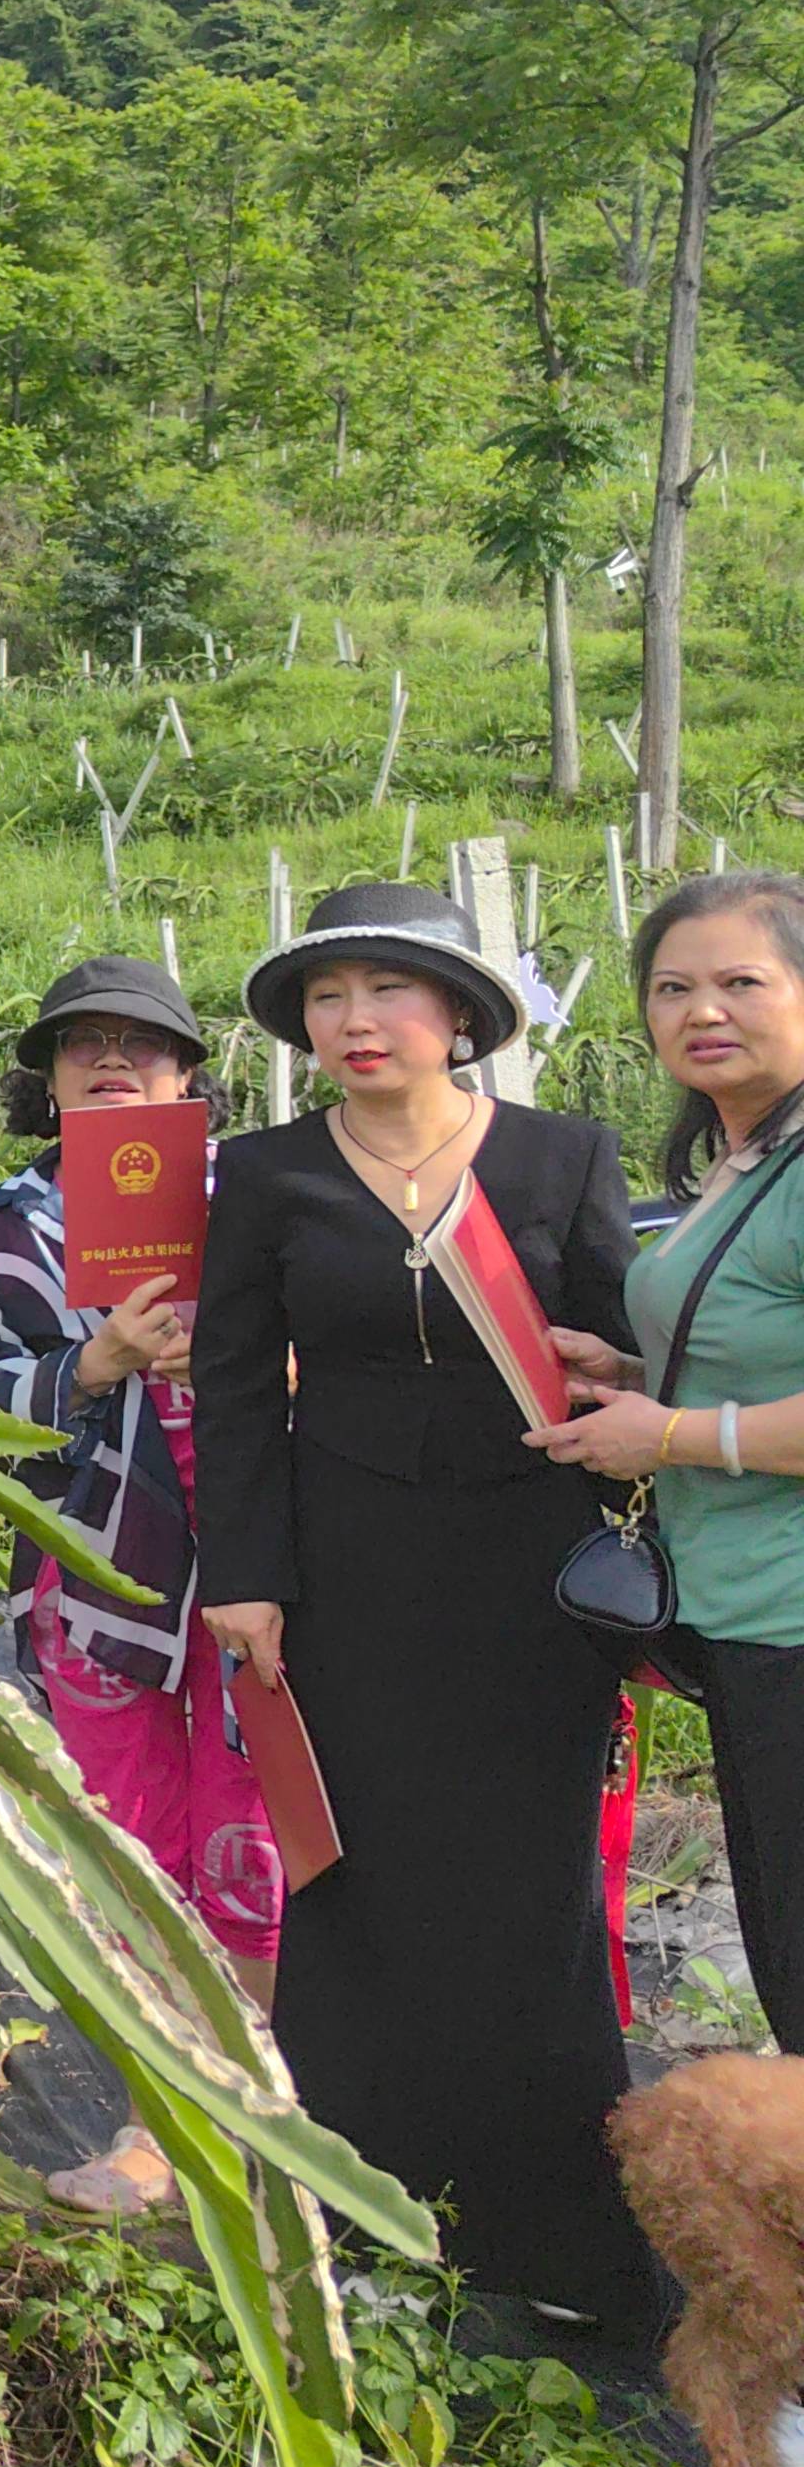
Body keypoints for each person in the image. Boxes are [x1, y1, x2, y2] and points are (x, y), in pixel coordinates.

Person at [197, 881, 663, 2330]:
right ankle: (360, 2231)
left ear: (456, 1015)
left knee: (528, 1894)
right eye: (329, 999)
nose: (356, 1022)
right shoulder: (268, 1174)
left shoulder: (558, 1157)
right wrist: (250, 1579)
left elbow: (626, 1355)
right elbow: (228, 1388)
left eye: (387, 992)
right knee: (356, 1883)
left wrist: (619, 1372)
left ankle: (560, 2250)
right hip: (345, 1576)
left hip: (529, 1573)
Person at [0, 955, 273, 2216]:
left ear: (191, 1074)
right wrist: (92, 1365)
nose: (113, 1058)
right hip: (100, 1593)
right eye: (83, 1043)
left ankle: (267, 2120)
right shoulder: (9, 1228)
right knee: (136, 1860)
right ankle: (157, 2132)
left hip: (264, 1585)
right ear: (49, 1079)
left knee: (256, 1852)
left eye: (144, 1041)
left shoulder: (268, 1199)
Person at [530, 871, 804, 2048]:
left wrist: (677, 1436)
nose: (704, 1010)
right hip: (747, 1614)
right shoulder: (739, 1163)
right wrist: (634, 1378)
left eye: (743, 982)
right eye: (673, 987)